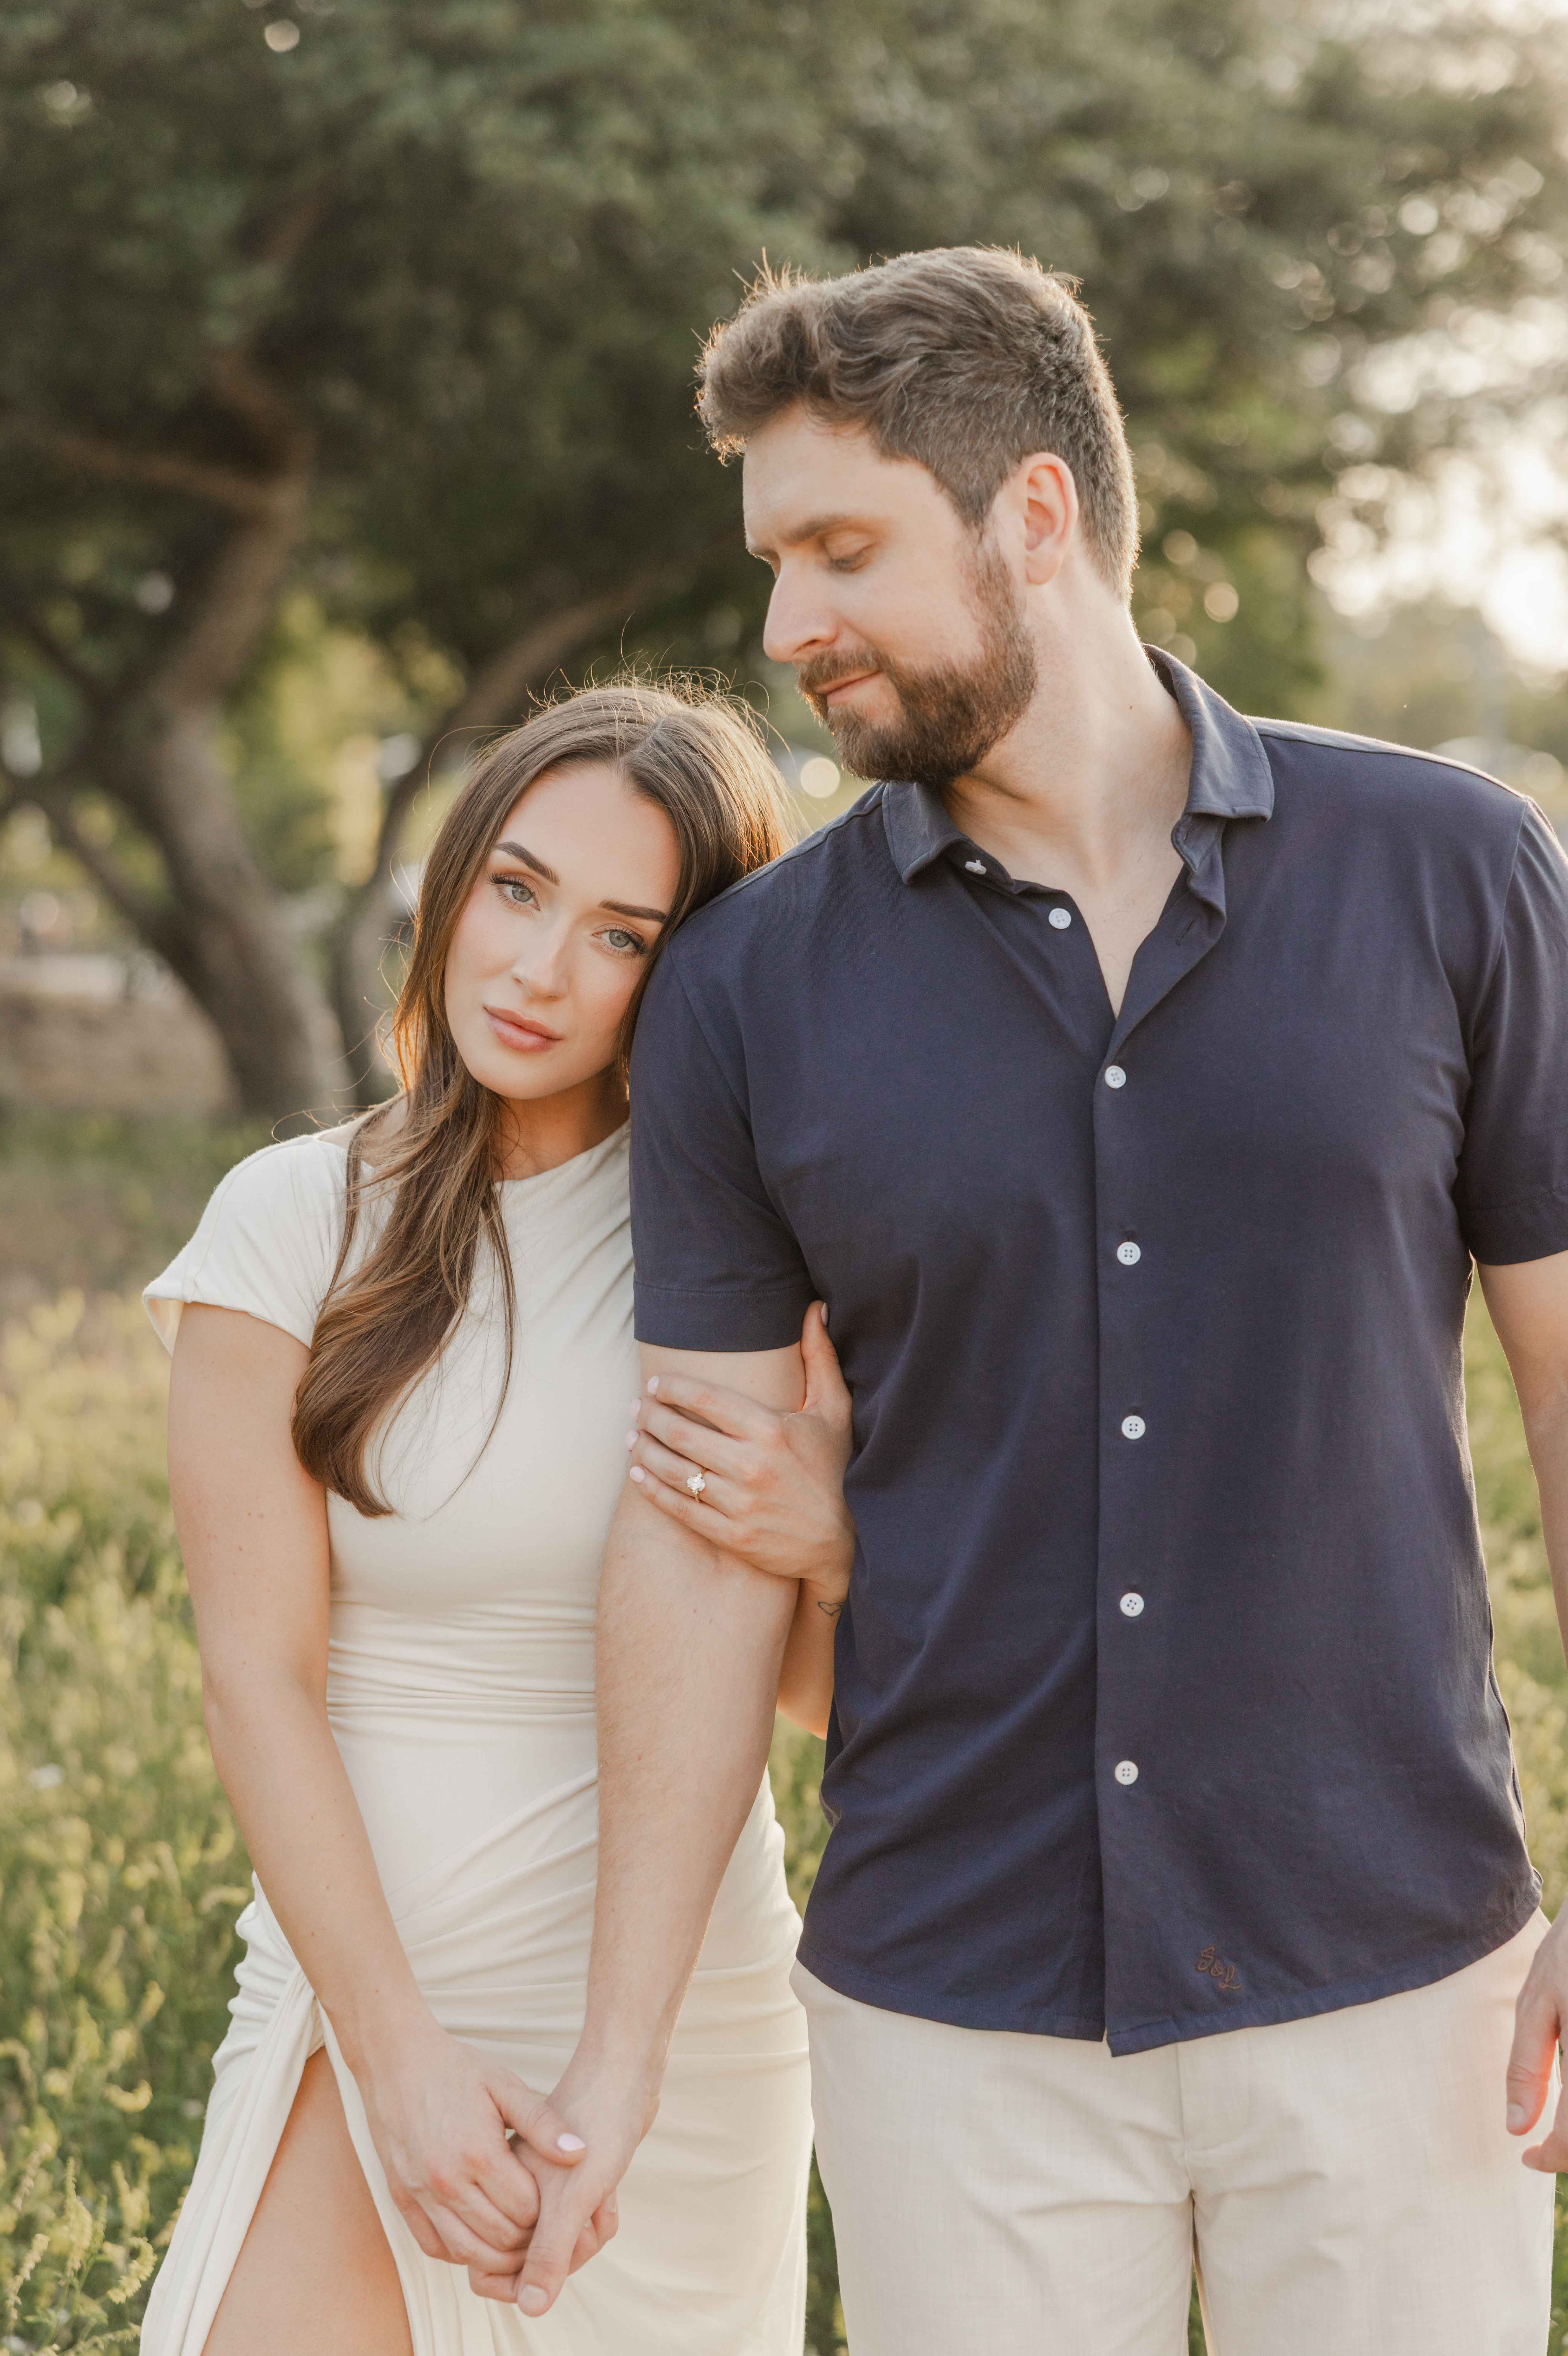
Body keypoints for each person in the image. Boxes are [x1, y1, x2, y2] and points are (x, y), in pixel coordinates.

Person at [495, 250, 1568, 2356]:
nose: (789, 626)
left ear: (1039, 516)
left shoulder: (1454, 872)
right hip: (950, 2017)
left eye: (841, 549)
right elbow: (705, 1535)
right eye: (773, 561)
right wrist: (612, 2064)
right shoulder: (743, 993)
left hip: (1397, 1976)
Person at [137, 680, 854, 2356]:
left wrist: (829, 1540)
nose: (538, 970)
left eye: (622, 935)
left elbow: (813, 1699)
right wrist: (397, 2060)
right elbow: (256, 1680)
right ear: (453, 881)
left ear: (690, 975)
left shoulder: (748, 1259)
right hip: (371, 1978)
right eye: (517, 889)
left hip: (674, 2019)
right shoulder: (291, 1218)